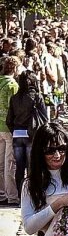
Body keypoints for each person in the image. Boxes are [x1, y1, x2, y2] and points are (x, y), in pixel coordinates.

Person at [6, 70, 47, 195]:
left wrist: (15, 130)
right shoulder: (37, 97)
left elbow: (9, 119)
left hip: (17, 134)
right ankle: (31, 194)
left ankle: (20, 195)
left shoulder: (15, 98)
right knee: (32, 166)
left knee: (19, 167)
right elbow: (44, 117)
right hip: (32, 134)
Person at [0, 56, 20, 206]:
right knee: (10, 163)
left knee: (0, 163)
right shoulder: (12, 85)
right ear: (14, 69)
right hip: (8, 127)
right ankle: (12, 196)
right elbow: (13, 108)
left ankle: (1, 193)